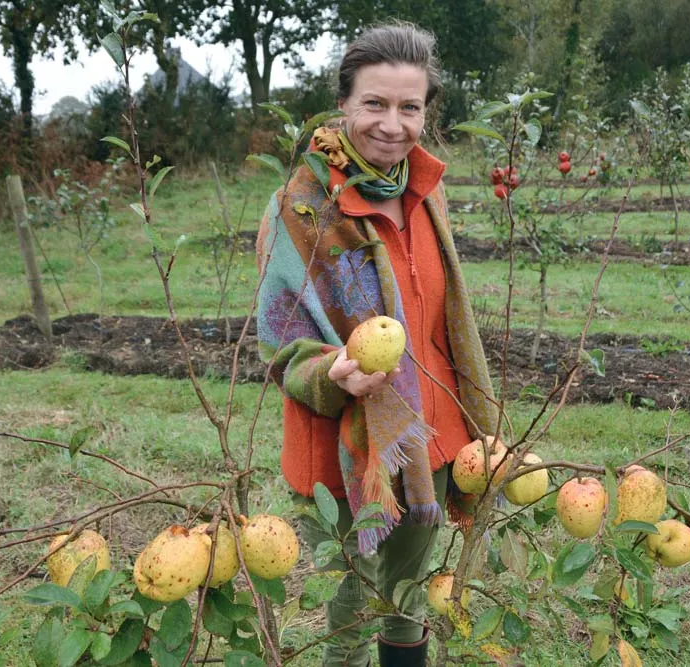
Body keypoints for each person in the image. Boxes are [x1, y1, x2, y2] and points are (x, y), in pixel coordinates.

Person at [256, 23, 496, 667]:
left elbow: (443, 314)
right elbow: (279, 334)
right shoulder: (305, 209)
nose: (392, 125)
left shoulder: (426, 189)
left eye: (409, 107)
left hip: (434, 432)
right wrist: (328, 372)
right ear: (344, 105)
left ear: (426, 113)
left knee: (408, 595)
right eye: (375, 104)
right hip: (350, 440)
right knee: (356, 597)